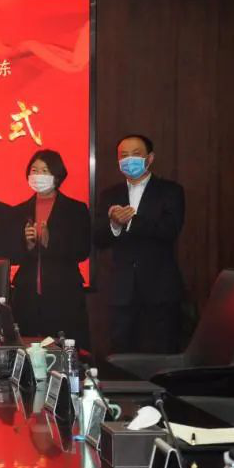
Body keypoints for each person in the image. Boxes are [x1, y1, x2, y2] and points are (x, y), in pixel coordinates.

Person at [94, 134, 185, 355]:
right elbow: (99, 240)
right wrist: (115, 225)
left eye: (135, 154)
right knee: (122, 355)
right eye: (123, 156)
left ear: (150, 158)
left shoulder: (170, 190)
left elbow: (169, 230)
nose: (129, 160)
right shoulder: (110, 195)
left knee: (161, 353)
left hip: (160, 290)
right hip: (122, 291)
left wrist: (131, 221)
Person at [9, 149, 91, 349]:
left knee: (64, 351)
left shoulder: (76, 209)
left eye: (44, 170)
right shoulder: (18, 211)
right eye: (34, 170)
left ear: (57, 175)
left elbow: (82, 250)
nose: (38, 175)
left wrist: (49, 242)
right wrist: (28, 245)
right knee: (27, 350)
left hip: (64, 293)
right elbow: (12, 255)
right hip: (27, 295)